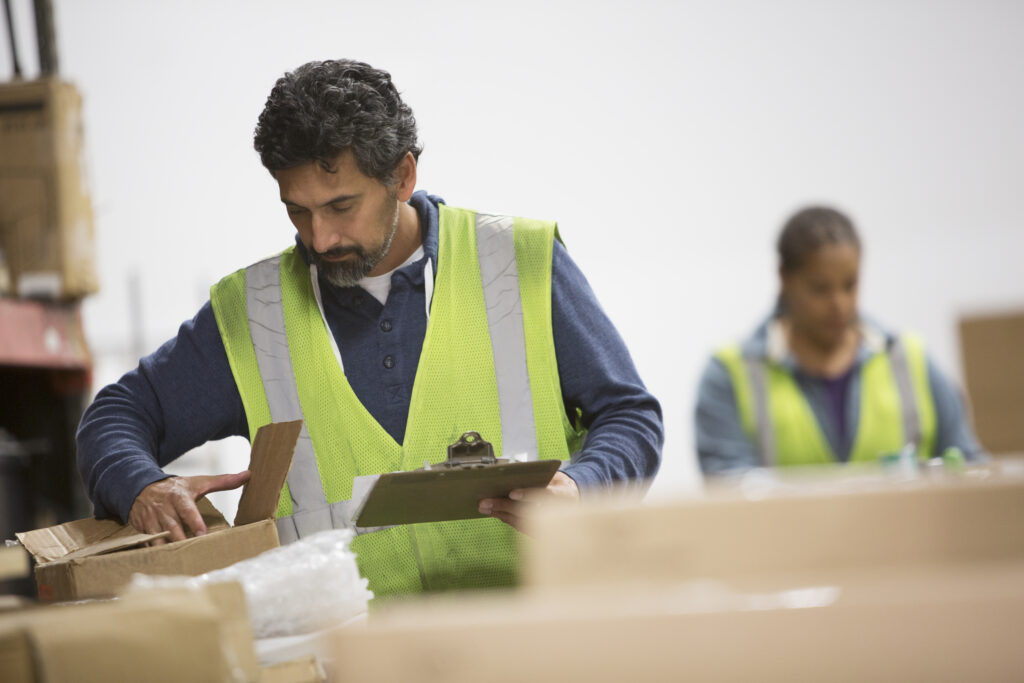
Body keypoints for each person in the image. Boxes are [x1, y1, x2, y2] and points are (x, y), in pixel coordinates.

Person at [76, 59, 663, 597]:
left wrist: (581, 487)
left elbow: (629, 416)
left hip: (538, 644)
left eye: (340, 206)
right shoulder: (252, 315)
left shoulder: (519, 262)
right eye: (297, 210)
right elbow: (114, 417)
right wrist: (142, 487)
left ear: (402, 176)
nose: (320, 237)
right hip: (350, 658)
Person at [695, 205, 984, 474]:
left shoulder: (910, 359)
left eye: (850, 285)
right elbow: (729, 490)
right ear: (784, 278)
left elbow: (970, 470)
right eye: (820, 289)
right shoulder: (731, 374)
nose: (840, 304)